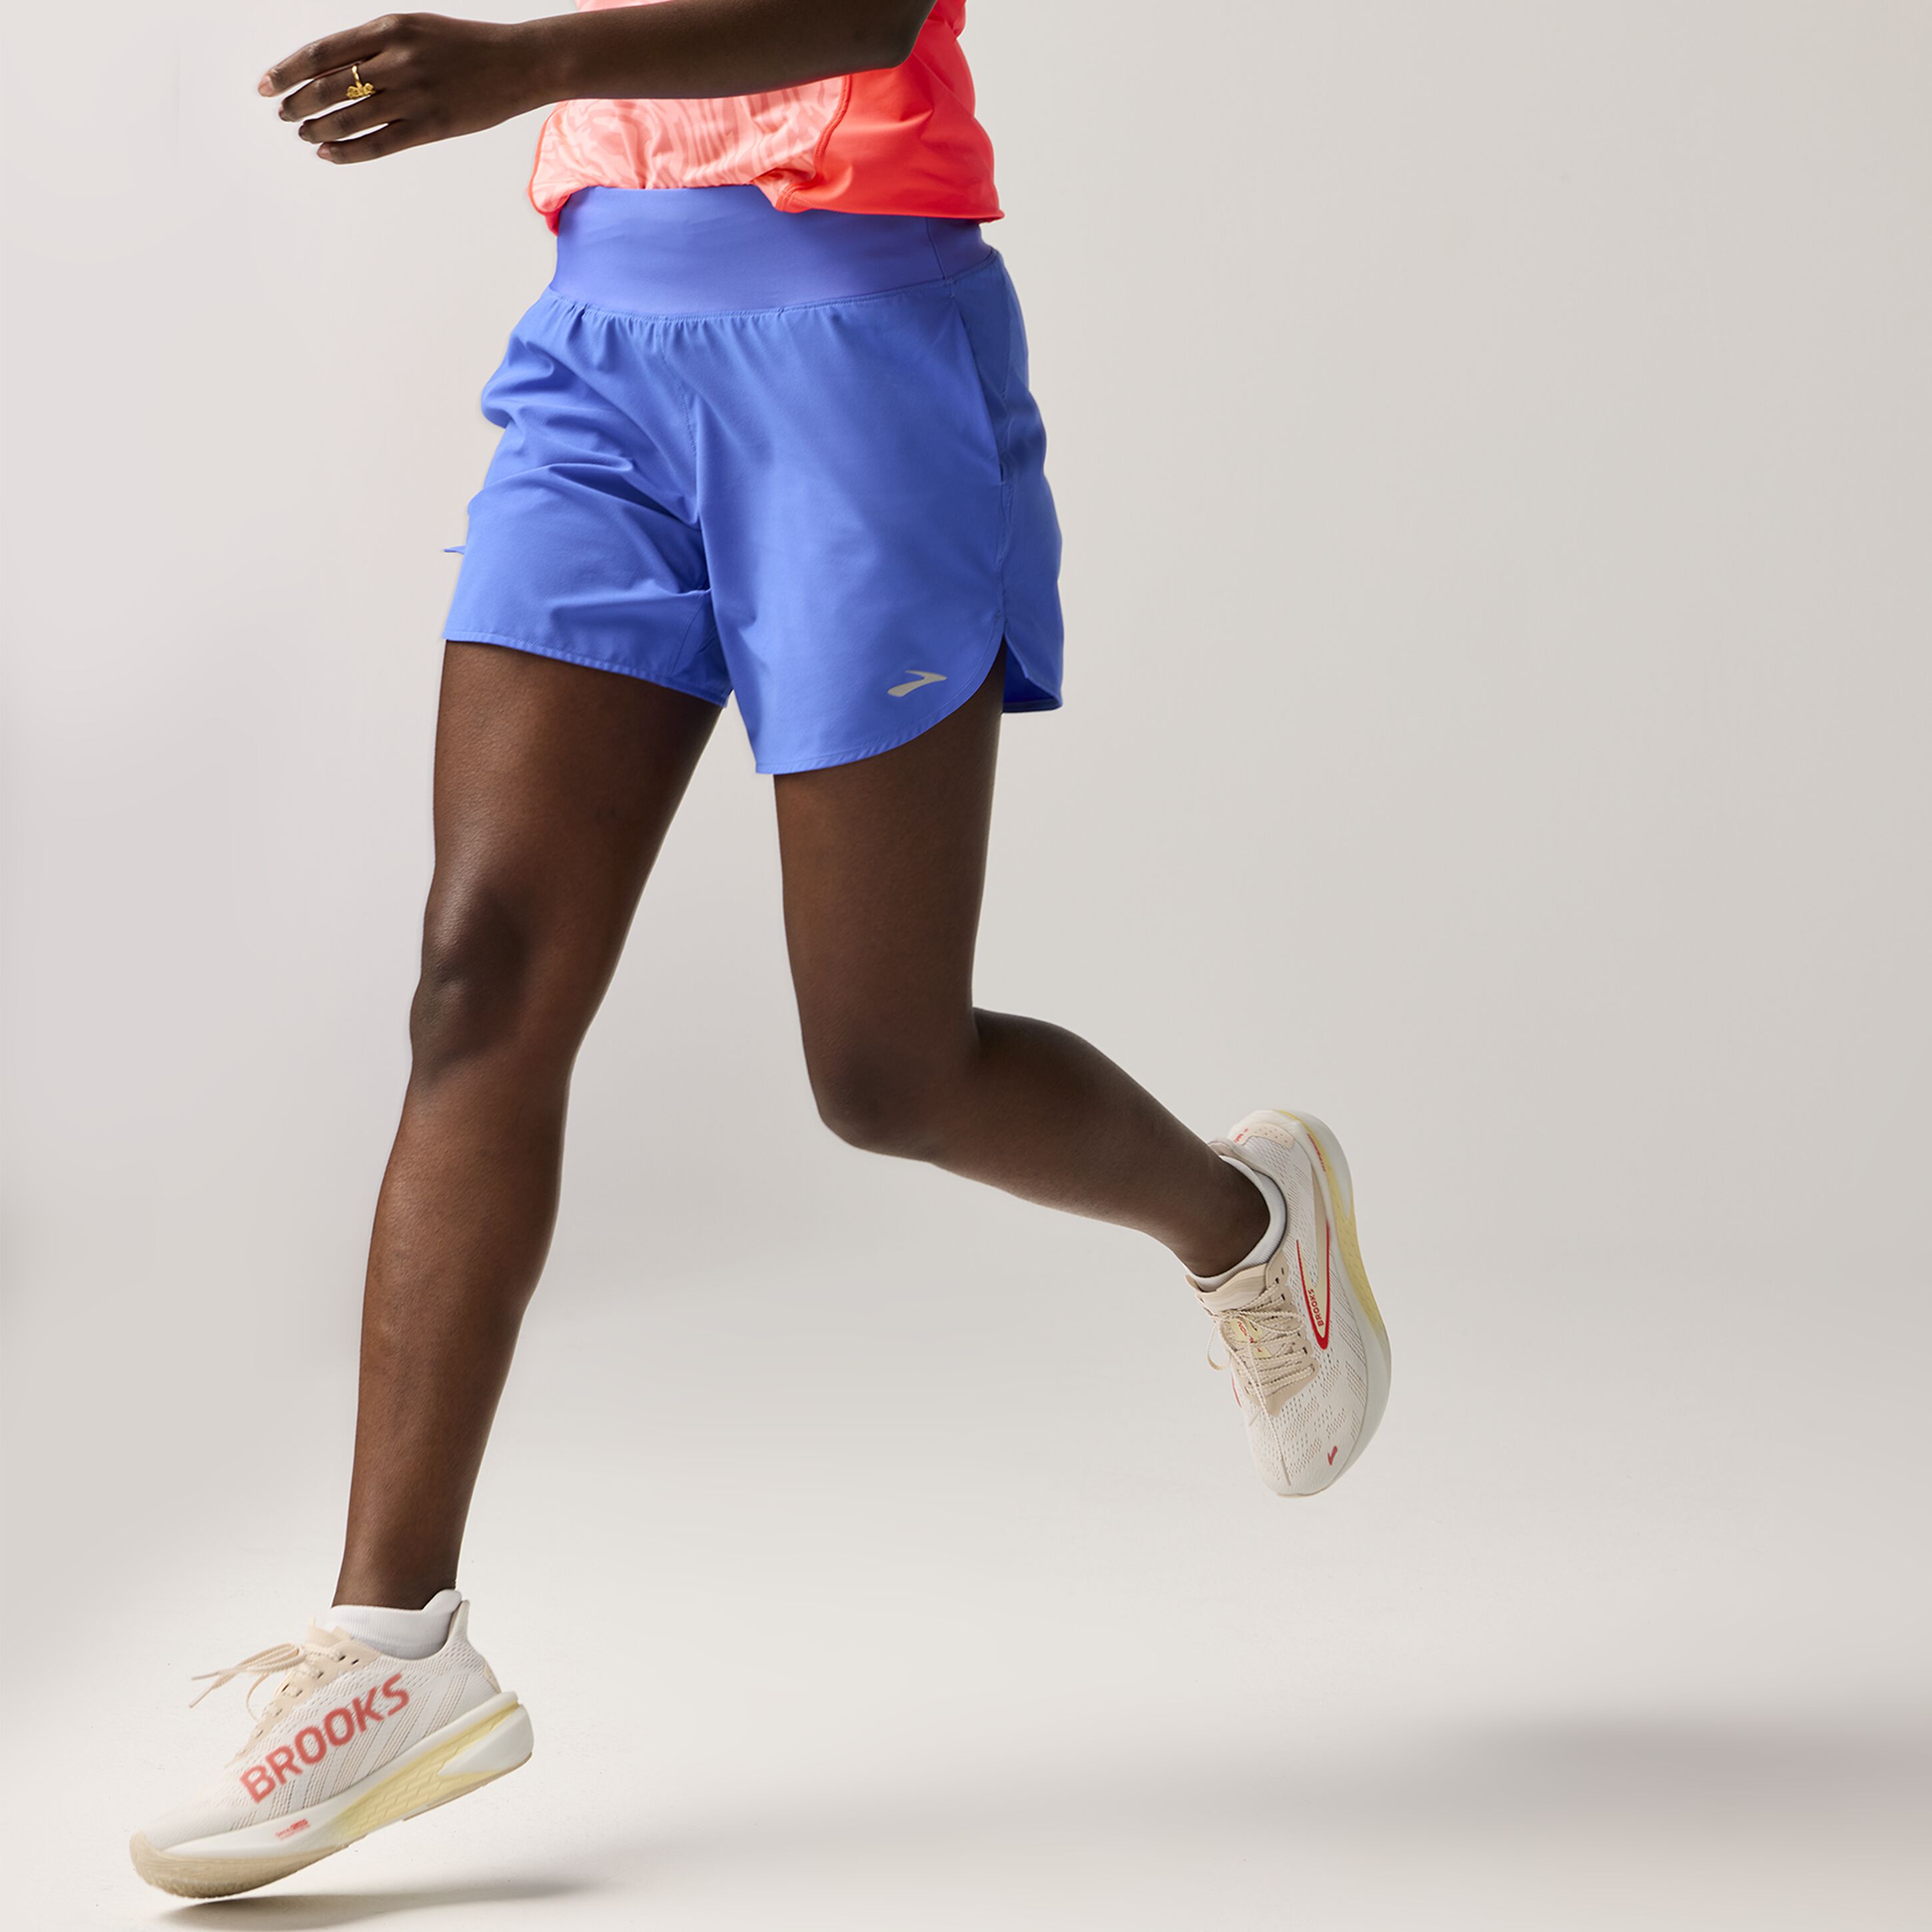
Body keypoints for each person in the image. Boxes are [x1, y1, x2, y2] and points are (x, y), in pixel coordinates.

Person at [130, 0, 1392, 1899]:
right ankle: (393, 1645)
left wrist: (527, 66)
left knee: (888, 1074)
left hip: (856, 351)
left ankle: (1245, 1221)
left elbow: (867, 13)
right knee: (477, 979)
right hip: (600, 343)